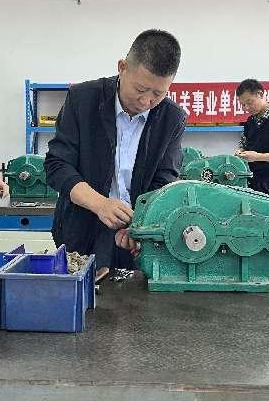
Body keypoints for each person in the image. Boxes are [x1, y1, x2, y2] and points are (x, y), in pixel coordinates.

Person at [44, 29, 186, 281]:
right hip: (81, 229)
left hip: (135, 238)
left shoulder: (172, 118)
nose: (146, 101)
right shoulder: (82, 99)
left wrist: (141, 224)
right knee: (83, 299)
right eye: (140, 88)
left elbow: (165, 179)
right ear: (122, 67)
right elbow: (58, 164)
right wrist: (100, 204)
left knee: (133, 301)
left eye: (158, 93)